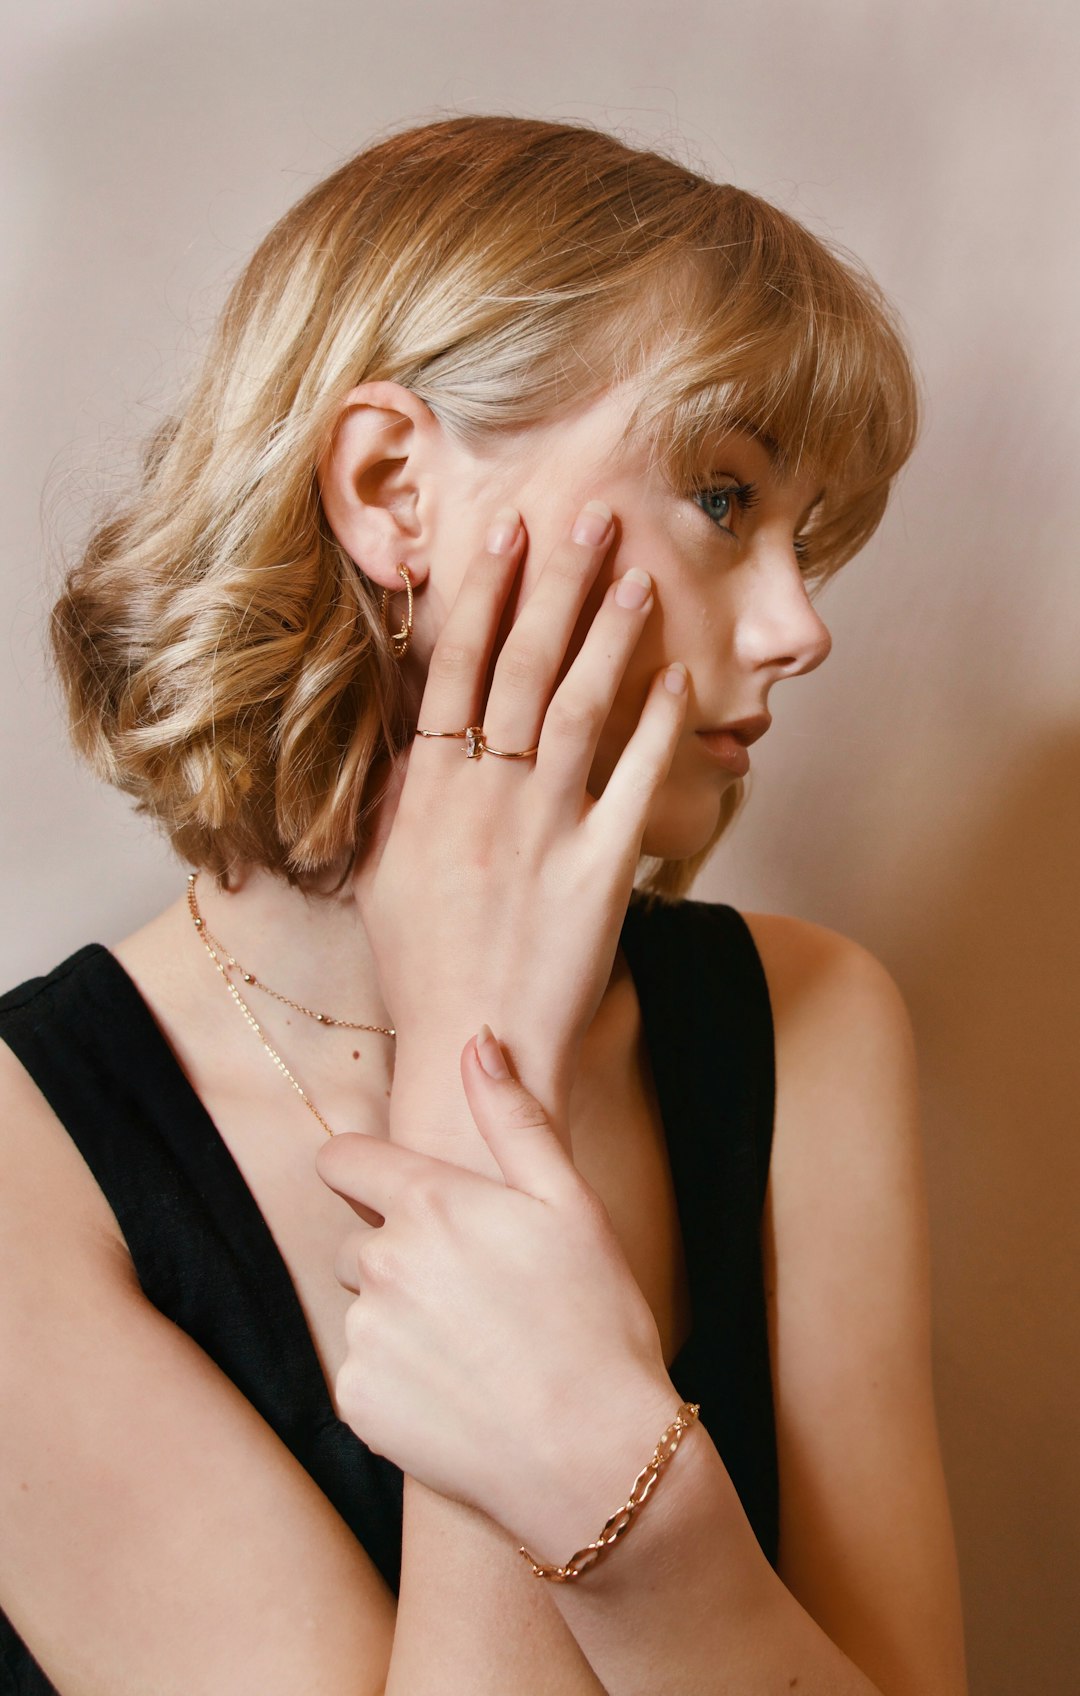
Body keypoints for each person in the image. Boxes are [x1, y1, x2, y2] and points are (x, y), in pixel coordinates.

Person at [0, 116, 968, 1694]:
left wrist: (644, 1532)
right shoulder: (20, 1168)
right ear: (393, 488)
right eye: (725, 499)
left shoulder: (810, 1022)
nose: (801, 628)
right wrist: (477, 1048)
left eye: (811, 540)